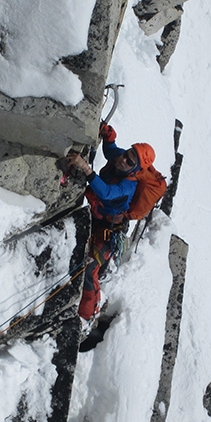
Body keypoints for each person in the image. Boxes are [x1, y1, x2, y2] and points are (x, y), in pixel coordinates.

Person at [66, 123, 156, 321]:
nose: (123, 159)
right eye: (127, 153)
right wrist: (109, 136)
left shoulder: (128, 185)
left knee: (90, 270)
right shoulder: (121, 158)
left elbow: (107, 193)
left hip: (107, 228)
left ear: (136, 170)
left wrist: (86, 169)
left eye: (130, 161)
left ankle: (87, 315)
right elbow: (110, 151)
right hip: (95, 213)